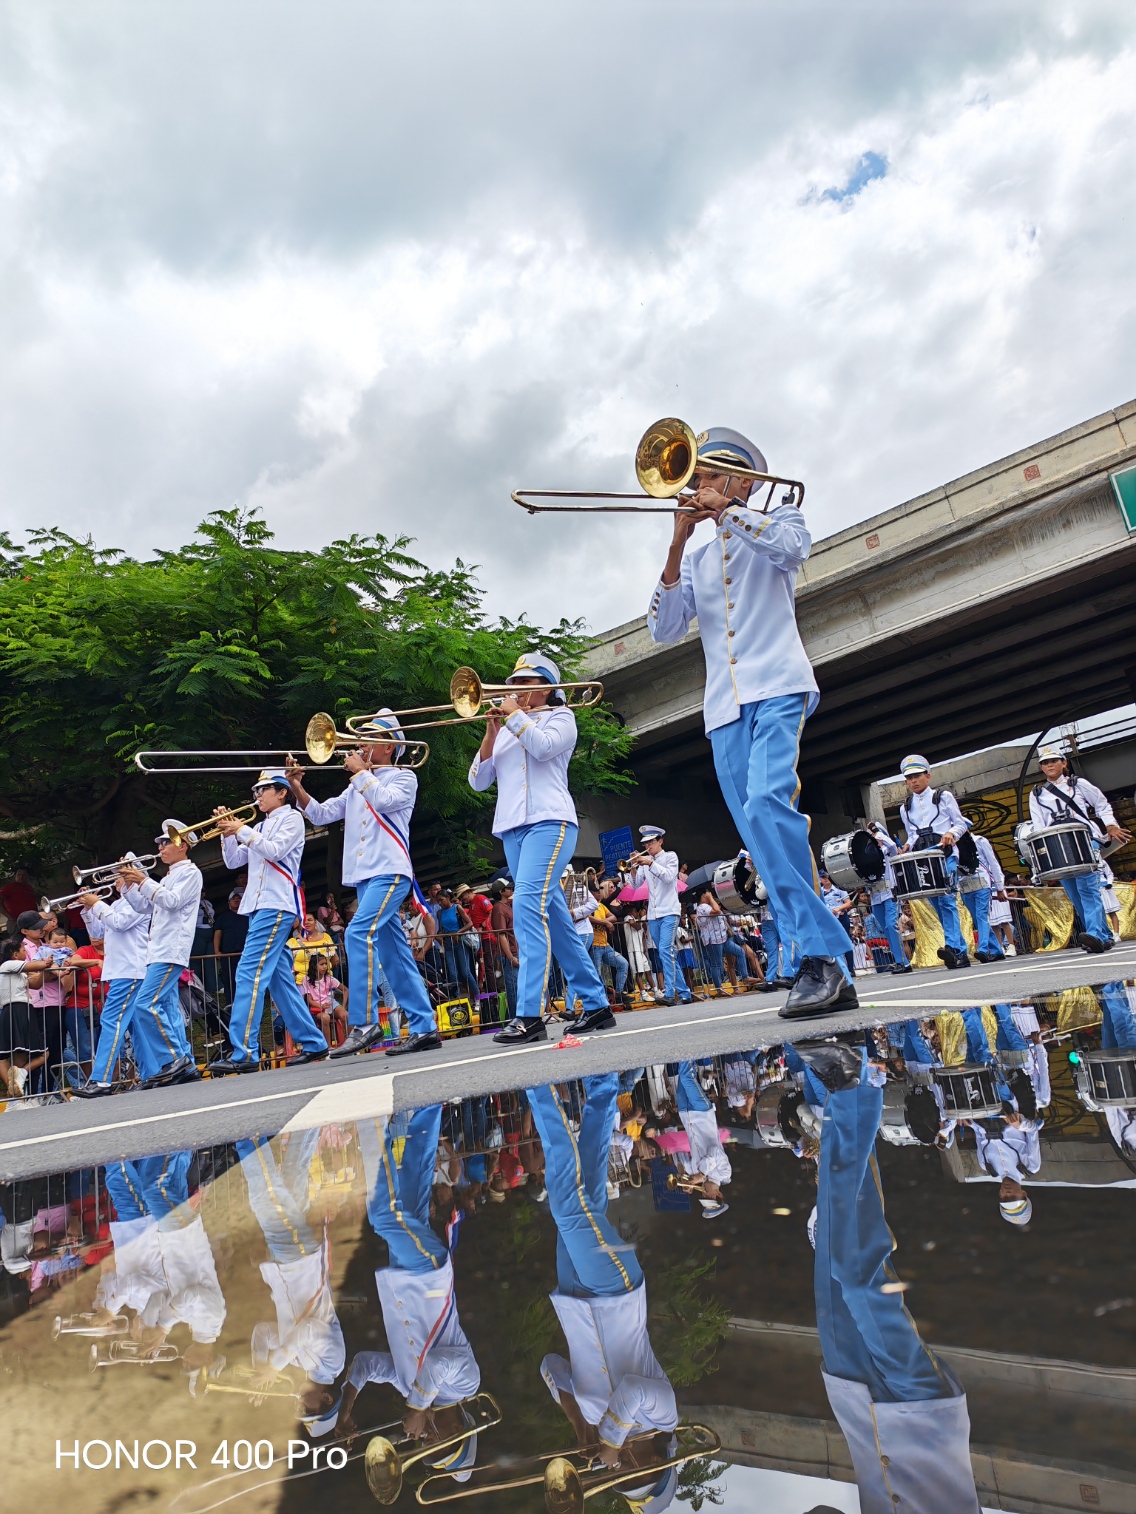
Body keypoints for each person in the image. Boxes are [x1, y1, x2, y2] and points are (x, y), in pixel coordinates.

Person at [647, 429, 857, 1016]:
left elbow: (793, 552)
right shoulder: (697, 557)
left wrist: (732, 511)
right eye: (696, 479)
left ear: (742, 481)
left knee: (769, 806)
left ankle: (818, 956)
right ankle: (827, 966)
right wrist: (675, 542)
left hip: (780, 685)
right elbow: (663, 628)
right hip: (723, 708)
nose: (699, 487)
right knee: (760, 837)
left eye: (710, 477)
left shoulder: (780, 519)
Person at [795, 1043, 980, 1514]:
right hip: (923, 1418)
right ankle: (855, 1090)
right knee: (859, 1278)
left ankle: (845, 1091)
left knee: (838, 1247)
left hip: (855, 1401)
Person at [528, 1074, 681, 1481]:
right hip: (617, 1293)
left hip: (573, 1297)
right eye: (632, 1475)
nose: (619, 1470)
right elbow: (632, 1391)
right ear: (652, 1464)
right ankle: (537, 1087)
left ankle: (603, 1089)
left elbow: (550, 1367)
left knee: (589, 1194)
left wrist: (582, 1427)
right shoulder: (663, 1416)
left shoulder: (597, 1418)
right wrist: (611, 1440)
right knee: (567, 1208)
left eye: (619, 1477)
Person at [468, 651, 614, 1044]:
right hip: (513, 829)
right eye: (514, 682)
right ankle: (597, 1004)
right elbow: (479, 781)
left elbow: (545, 748)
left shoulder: (560, 718)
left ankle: (529, 1014)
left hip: (550, 822)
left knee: (527, 906)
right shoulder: (510, 726)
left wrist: (515, 717)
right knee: (558, 921)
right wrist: (491, 733)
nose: (514, 688)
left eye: (525, 682)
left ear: (548, 687)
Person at [338, 1107, 481, 1488]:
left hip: (403, 1278)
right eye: (440, 1446)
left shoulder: (408, 1385)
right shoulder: (467, 1385)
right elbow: (435, 1365)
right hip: (428, 1276)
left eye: (429, 1449)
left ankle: (424, 1110)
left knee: (413, 1195)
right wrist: (416, 1408)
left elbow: (367, 1364)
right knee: (383, 1217)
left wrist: (346, 1408)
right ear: (457, 1433)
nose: (428, 1440)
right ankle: (387, 1126)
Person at [287, 711, 441, 1057]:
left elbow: (384, 801)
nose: (357, 744)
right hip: (364, 877)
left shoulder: (403, 778)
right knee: (395, 955)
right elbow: (322, 814)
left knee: (357, 934)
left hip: (390, 871)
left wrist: (360, 774)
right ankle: (424, 1026)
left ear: (389, 747)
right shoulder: (358, 785)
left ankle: (365, 1021)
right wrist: (297, 786)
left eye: (368, 738)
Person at [206, 772, 330, 1075]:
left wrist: (243, 830)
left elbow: (274, 851)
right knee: (279, 981)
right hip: (259, 907)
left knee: (248, 972)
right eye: (255, 790)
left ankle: (244, 1050)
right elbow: (234, 862)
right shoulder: (259, 826)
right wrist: (227, 833)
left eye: (263, 790)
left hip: (276, 904)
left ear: (282, 793)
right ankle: (314, 1042)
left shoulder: (292, 820)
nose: (257, 795)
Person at [117, 822, 204, 1087]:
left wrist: (143, 879)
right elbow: (145, 907)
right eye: (160, 843)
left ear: (183, 845)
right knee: (166, 1008)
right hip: (158, 950)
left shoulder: (190, 872)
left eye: (166, 842)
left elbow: (172, 901)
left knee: (146, 1004)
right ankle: (182, 1061)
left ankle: (175, 1059)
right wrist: (127, 885)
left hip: (170, 949)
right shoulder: (167, 877)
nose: (160, 847)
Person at [1028, 744, 1130, 953]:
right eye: (1045, 763)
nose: (1050, 765)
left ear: (1064, 763)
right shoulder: (1036, 793)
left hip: (1083, 839)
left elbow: (1101, 804)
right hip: (1057, 846)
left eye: (1054, 761)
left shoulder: (1078, 784)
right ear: (1041, 767)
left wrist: (1111, 824)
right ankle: (1103, 935)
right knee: (1075, 895)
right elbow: (1038, 825)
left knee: (1088, 889)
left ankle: (1094, 935)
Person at [74, 866, 153, 1096]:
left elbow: (119, 923)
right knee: (136, 1025)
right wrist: (89, 908)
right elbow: (97, 935)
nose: (116, 880)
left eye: (120, 875)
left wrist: (97, 904)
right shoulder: (118, 903)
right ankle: (152, 1073)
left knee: (111, 1021)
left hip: (130, 969)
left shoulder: (140, 902)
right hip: (122, 969)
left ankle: (101, 1079)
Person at [897, 754, 972, 970]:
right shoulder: (906, 806)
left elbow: (960, 824)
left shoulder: (943, 796)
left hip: (944, 852)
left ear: (927, 776)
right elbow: (912, 834)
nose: (914, 781)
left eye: (918, 776)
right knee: (937, 905)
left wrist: (950, 833)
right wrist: (907, 846)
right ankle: (960, 949)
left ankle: (954, 949)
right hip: (923, 857)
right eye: (909, 778)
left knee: (948, 901)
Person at [627, 826, 692, 1006]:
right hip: (653, 914)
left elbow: (670, 877)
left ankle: (670, 993)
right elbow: (634, 884)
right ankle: (685, 993)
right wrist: (633, 867)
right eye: (645, 843)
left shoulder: (670, 856)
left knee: (665, 950)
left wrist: (650, 864)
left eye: (651, 842)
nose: (648, 846)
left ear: (660, 841)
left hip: (670, 911)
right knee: (667, 953)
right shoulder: (645, 861)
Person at [859, 821, 912, 975]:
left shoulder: (888, 851)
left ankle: (902, 961)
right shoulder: (870, 853)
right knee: (886, 929)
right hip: (876, 896)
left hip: (890, 893)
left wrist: (877, 832)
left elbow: (892, 846)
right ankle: (900, 961)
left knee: (891, 926)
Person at [0, 937, 43, 1101]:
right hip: (17, 1008)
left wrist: (46, 972)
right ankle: (15, 1097)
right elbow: (38, 965)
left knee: (20, 1055)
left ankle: (15, 1087)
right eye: (24, 950)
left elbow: (36, 984)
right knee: (18, 1055)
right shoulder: (9, 965)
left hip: (17, 1009)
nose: (26, 953)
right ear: (15, 954)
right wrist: (48, 962)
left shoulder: (15, 970)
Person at [963, 833, 1007, 963]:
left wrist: (1000, 887)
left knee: (982, 916)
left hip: (982, 882)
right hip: (965, 885)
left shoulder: (980, 841)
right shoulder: (950, 844)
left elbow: (993, 863)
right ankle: (997, 950)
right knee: (977, 918)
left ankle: (982, 949)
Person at [489, 883, 519, 1017]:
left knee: (516, 988)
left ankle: (511, 1018)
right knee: (513, 989)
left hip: (513, 950)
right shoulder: (499, 908)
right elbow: (501, 934)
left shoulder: (507, 906)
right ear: (501, 891)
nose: (511, 890)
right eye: (508, 888)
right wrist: (511, 957)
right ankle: (514, 1018)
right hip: (508, 953)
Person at [303, 955, 346, 1046]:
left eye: (326, 964)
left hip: (330, 1004)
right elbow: (309, 1000)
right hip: (316, 1007)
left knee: (346, 1015)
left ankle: (352, 1044)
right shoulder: (307, 980)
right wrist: (321, 1006)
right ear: (314, 966)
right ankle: (328, 1048)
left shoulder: (329, 978)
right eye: (322, 964)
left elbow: (346, 990)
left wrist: (343, 1005)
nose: (325, 966)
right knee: (325, 1018)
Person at [695, 889, 730, 995]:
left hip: (720, 938)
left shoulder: (706, 907)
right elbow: (717, 911)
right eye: (707, 893)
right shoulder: (703, 907)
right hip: (712, 939)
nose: (710, 895)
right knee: (715, 964)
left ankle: (743, 977)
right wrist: (710, 898)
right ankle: (718, 988)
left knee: (738, 952)